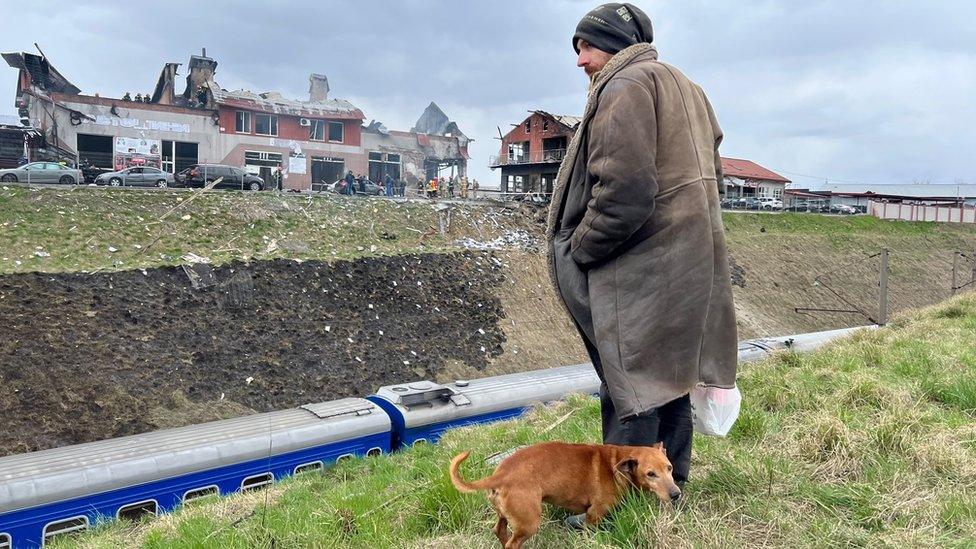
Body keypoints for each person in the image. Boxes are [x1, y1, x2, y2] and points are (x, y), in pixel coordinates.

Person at [546, 2, 736, 510]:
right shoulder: (686, 87)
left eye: (585, 46)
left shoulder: (625, 86)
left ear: (610, 44)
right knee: (670, 379)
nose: (580, 60)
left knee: (630, 386)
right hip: (687, 260)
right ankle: (666, 498)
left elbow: (625, 193)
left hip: (641, 268)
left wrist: (580, 248)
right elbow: (712, 172)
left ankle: (618, 508)